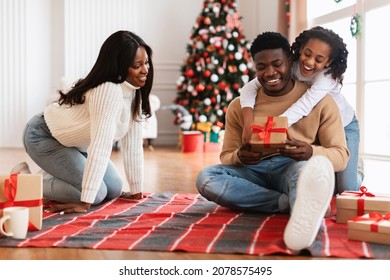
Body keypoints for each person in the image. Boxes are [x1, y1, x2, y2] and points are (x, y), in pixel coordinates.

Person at [195, 32, 349, 251]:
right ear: (254, 67)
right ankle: (285, 203)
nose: (270, 73)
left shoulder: (321, 101)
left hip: (292, 167)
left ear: (290, 60)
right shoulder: (240, 106)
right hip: (252, 172)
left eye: (277, 64)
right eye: (261, 67)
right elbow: (226, 155)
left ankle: (305, 221)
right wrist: (240, 156)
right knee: (206, 178)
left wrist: (309, 151)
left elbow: (341, 155)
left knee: (305, 173)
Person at [11, 30, 154, 214]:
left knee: (115, 188)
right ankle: (22, 181)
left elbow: (133, 144)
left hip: (74, 144)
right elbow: (100, 146)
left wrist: (136, 190)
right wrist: (85, 202)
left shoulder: (134, 92)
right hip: (43, 135)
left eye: (146, 63)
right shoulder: (108, 91)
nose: (145, 70)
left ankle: (53, 179)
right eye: (137, 65)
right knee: (96, 194)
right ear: (120, 66)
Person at [240, 26, 362, 194]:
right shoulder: (292, 65)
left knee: (347, 189)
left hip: (345, 125)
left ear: (328, 62)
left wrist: (275, 127)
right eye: (307, 53)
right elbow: (249, 88)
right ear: (300, 49)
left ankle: (357, 168)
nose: (310, 62)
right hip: (318, 126)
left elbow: (305, 105)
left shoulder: (326, 77)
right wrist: (248, 122)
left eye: (319, 59)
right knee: (317, 178)